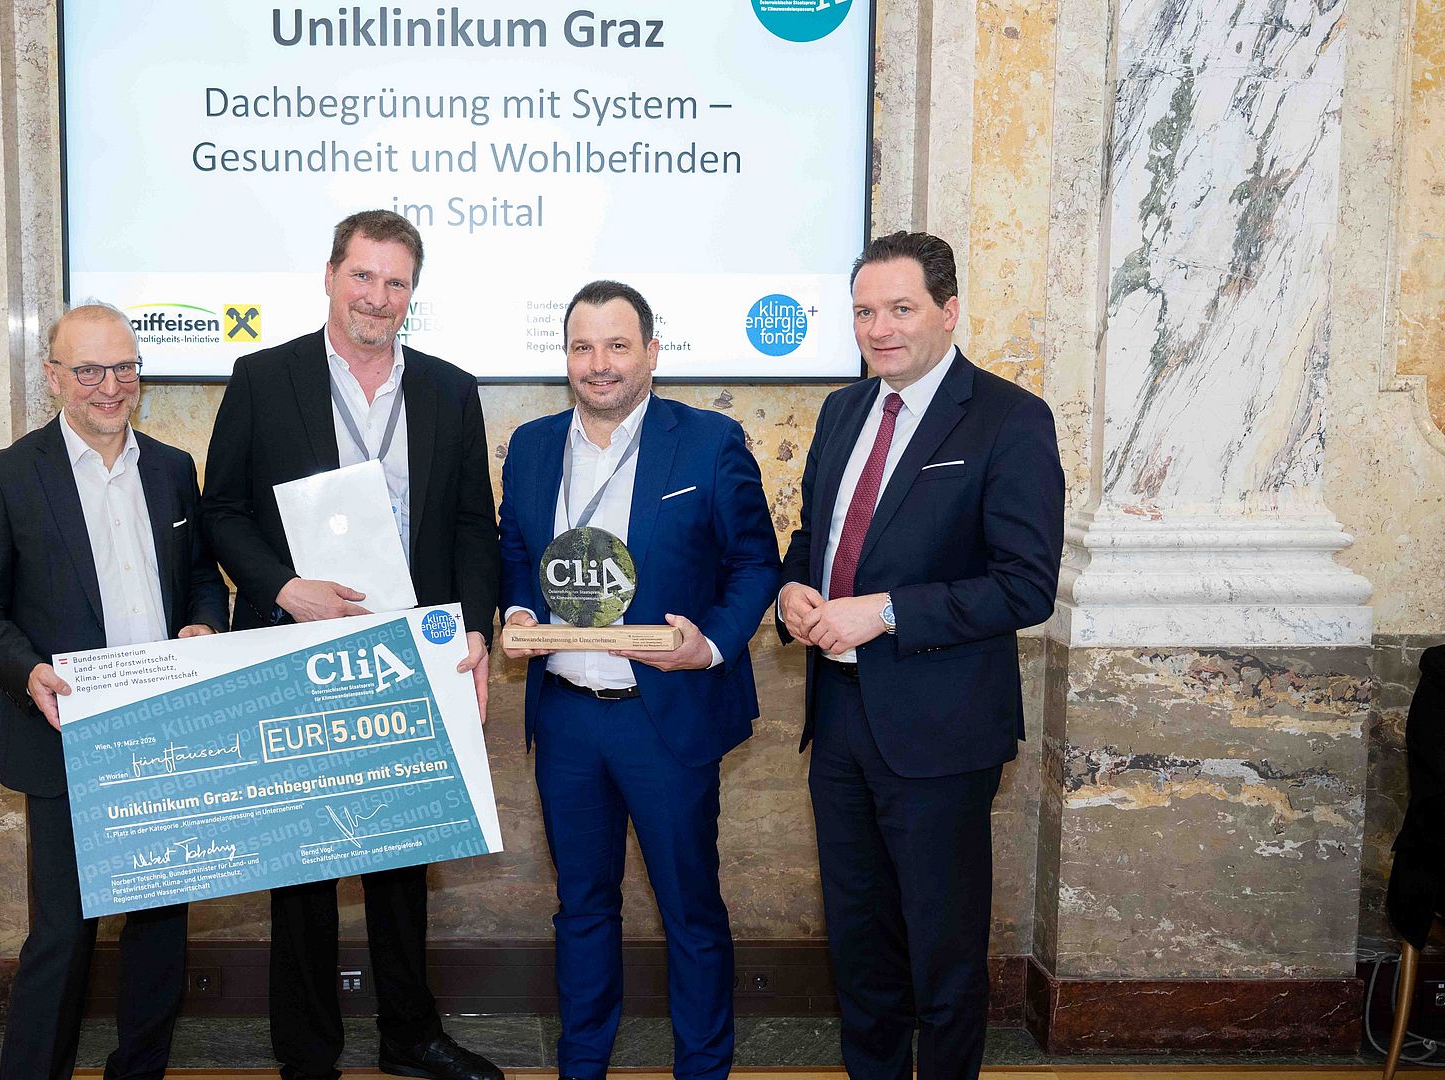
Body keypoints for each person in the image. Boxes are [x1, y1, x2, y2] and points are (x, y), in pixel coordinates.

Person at [200, 210, 501, 1080]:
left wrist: (474, 629)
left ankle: (411, 1037)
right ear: (331, 276)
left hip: (409, 655)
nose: (378, 296)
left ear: (413, 294)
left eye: (396, 282)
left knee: (404, 860)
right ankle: (307, 1055)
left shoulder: (449, 389)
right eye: (363, 276)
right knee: (303, 864)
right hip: (299, 647)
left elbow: (472, 526)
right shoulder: (264, 377)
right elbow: (222, 510)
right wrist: (282, 587)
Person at [775, 232, 1064, 1080]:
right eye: (865, 312)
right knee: (859, 943)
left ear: (949, 311)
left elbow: (1025, 587)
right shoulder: (841, 412)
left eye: (901, 309)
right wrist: (792, 591)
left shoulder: (1010, 419)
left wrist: (888, 612)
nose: (880, 329)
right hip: (839, 720)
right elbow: (815, 537)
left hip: (941, 732)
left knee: (942, 951)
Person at [499, 280, 780, 1080]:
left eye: (618, 345)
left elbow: (755, 561)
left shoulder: (710, 441)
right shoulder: (531, 446)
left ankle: (703, 1067)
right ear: (565, 357)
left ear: (652, 353)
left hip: (666, 714)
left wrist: (710, 645)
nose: (600, 363)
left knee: (690, 909)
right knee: (582, 907)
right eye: (583, 347)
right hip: (567, 718)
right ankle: (582, 1063)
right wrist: (517, 610)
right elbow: (515, 549)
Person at [0, 302, 230, 1080]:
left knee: (160, 928)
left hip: (166, 734)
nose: (111, 386)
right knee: (63, 934)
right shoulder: (9, 476)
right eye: (89, 370)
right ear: (53, 377)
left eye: (125, 368)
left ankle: (139, 1072)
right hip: (65, 736)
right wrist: (28, 671)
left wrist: (205, 625)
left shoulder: (172, 469)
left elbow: (203, 577)